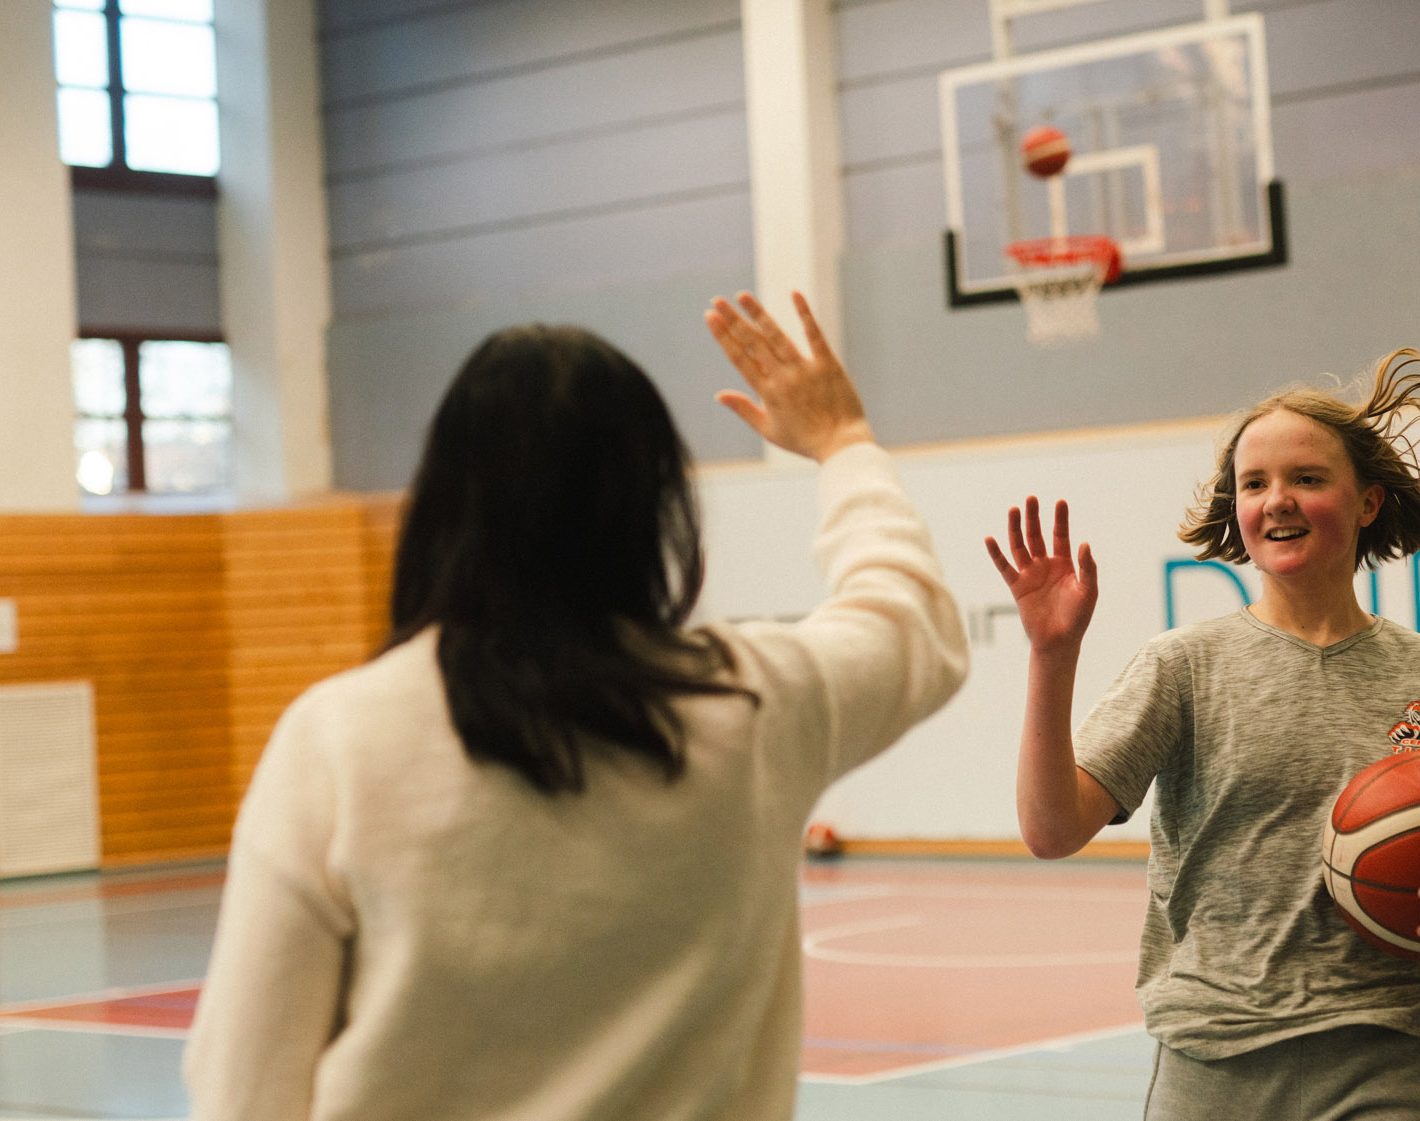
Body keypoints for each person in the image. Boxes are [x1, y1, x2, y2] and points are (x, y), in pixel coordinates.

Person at [184, 292, 967, 1120]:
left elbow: (246, 1087)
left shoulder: (338, 736)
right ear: (653, 507)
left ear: (444, 502)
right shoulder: (753, 702)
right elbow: (907, 616)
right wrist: (843, 443)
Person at [984, 349, 1420, 1120]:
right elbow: (1049, 828)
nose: (1277, 500)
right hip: (1212, 1058)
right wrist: (1051, 654)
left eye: (1306, 478)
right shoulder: (1183, 666)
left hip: (1388, 1053)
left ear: (1366, 502)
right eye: (1253, 482)